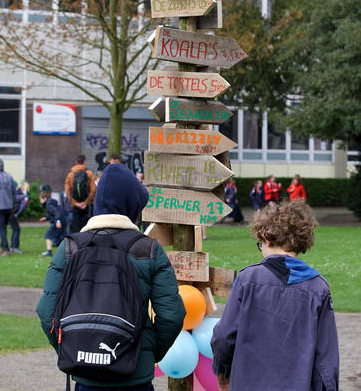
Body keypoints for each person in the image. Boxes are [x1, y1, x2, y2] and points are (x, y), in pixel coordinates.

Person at [36, 163, 185, 390]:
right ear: (132, 205)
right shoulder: (149, 250)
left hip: (85, 373)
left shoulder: (69, 248)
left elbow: (47, 312)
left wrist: (71, 347)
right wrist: (146, 351)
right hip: (135, 374)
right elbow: (171, 316)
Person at [211, 201, 340, 391]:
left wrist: (222, 373)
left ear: (266, 237)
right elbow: (326, 358)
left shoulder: (247, 279)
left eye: (259, 244)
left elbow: (223, 336)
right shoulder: (318, 288)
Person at [64, 155, 96, 234]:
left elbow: (67, 191)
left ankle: (76, 245)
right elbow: (93, 190)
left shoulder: (70, 175)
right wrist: (85, 202)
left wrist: (76, 203)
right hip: (88, 205)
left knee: (76, 227)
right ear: (84, 162)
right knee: (88, 227)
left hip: (76, 205)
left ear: (76, 162)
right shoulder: (89, 173)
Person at [38, 186, 65, 257]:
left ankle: (49, 252)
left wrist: (58, 221)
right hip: (63, 221)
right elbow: (52, 213)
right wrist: (46, 218)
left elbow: (56, 212)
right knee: (63, 237)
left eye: (40, 199)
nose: (40, 201)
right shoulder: (50, 203)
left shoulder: (48, 204)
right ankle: (67, 252)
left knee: (48, 235)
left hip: (58, 222)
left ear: (44, 198)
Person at [10, 181, 30, 254]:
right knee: (16, 230)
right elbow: (22, 206)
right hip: (13, 214)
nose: (29, 189)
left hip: (9, 213)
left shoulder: (15, 194)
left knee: (15, 229)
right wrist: (17, 214)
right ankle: (14, 247)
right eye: (28, 188)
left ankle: (12, 247)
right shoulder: (24, 196)